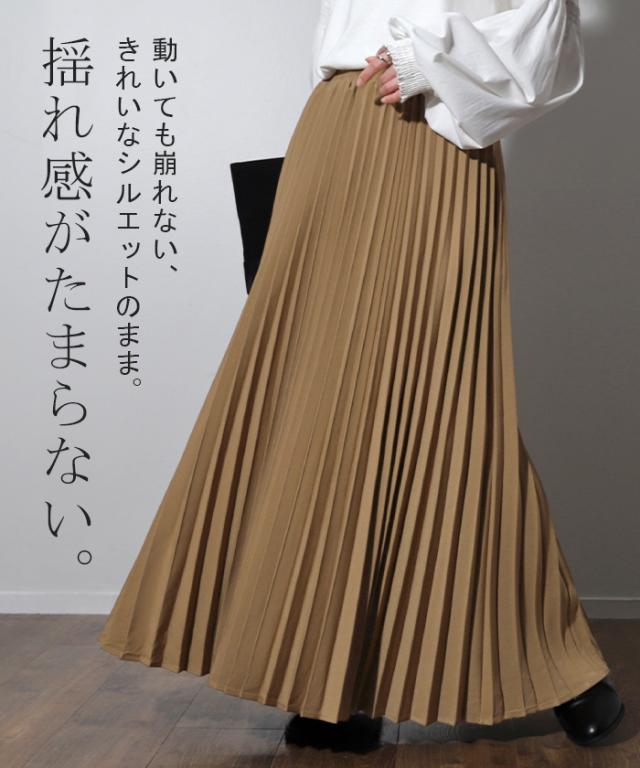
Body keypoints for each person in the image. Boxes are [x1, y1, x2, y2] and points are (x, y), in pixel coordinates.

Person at [98, 0, 625, 752]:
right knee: (317, 398)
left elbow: (545, 26)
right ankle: (336, 680)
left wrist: (429, 58)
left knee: (451, 405)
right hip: (335, 128)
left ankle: (558, 668)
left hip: (437, 137)